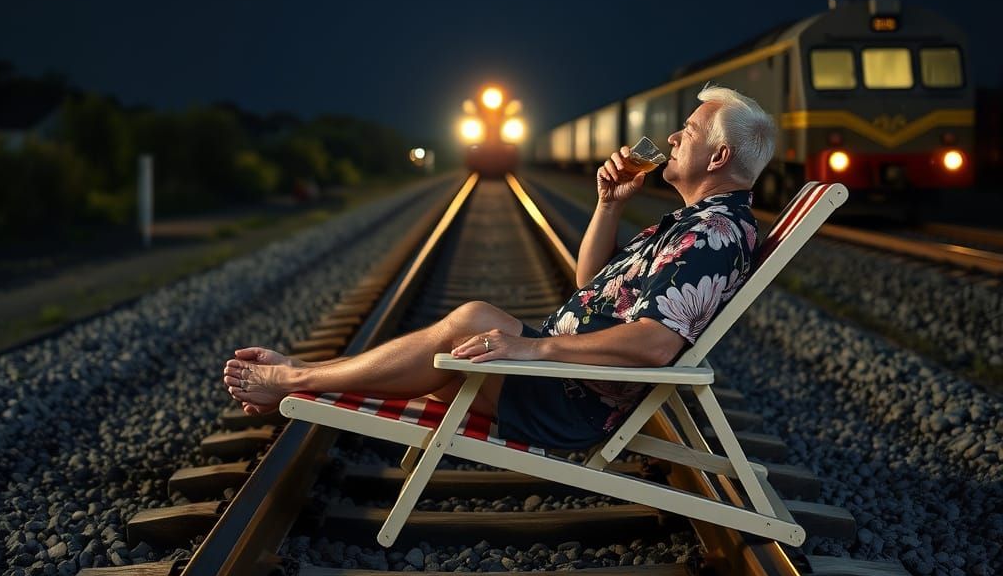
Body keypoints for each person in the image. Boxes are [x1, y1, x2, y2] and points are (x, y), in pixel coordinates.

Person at [223, 84, 776, 450]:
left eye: (689, 131)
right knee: (458, 339)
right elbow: (590, 283)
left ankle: (296, 377)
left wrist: (532, 350)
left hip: (571, 400)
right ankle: (303, 374)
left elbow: (655, 344)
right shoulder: (696, 223)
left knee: (469, 324)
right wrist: (608, 205)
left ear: (719, 157)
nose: (673, 137)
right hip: (564, 383)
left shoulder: (714, 234)